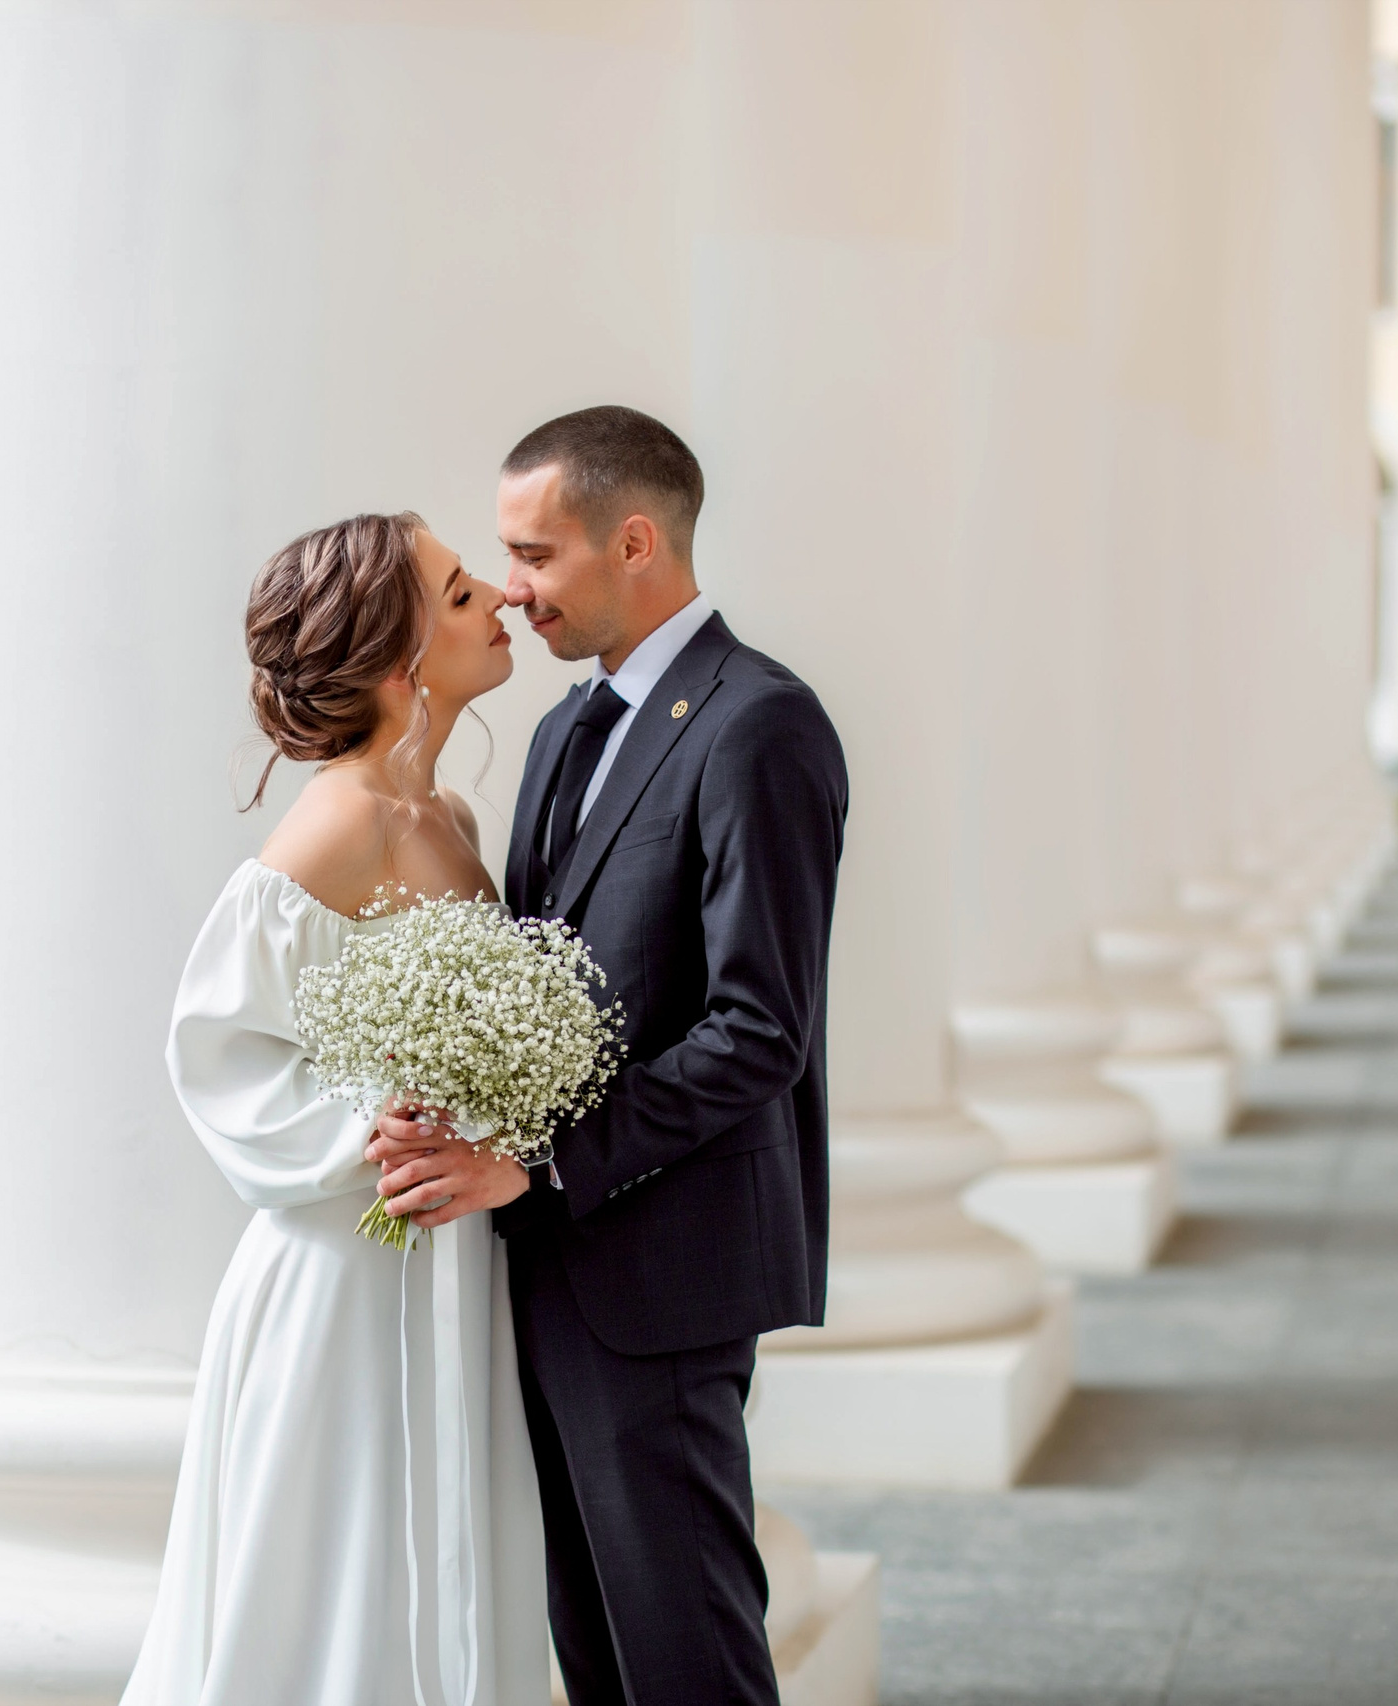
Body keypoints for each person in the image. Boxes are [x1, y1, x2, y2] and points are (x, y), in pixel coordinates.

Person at [369, 406, 849, 1706]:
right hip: (550, 1265)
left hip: (666, 1272)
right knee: (595, 1658)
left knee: (686, 1658)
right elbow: (549, 991)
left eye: (534, 556)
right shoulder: (563, 729)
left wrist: (537, 1162)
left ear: (634, 541)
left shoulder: (761, 724)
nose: (512, 589)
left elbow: (761, 1028)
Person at [125, 511, 547, 1705]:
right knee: (337, 1579)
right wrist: (369, 1123)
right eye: (459, 593)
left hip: (450, 1249)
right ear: (399, 658)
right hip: (348, 1276)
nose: (498, 598)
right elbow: (214, 1045)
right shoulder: (341, 822)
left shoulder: (446, 816)